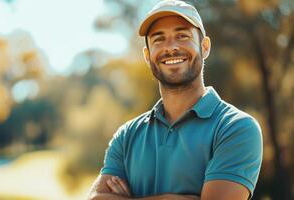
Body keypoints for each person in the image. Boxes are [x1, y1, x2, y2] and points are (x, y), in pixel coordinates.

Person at [87, 0, 263, 199]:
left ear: (204, 47)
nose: (170, 47)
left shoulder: (236, 127)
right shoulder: (127, 135)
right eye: (158, 39)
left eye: (182, 36)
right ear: (147, 55)